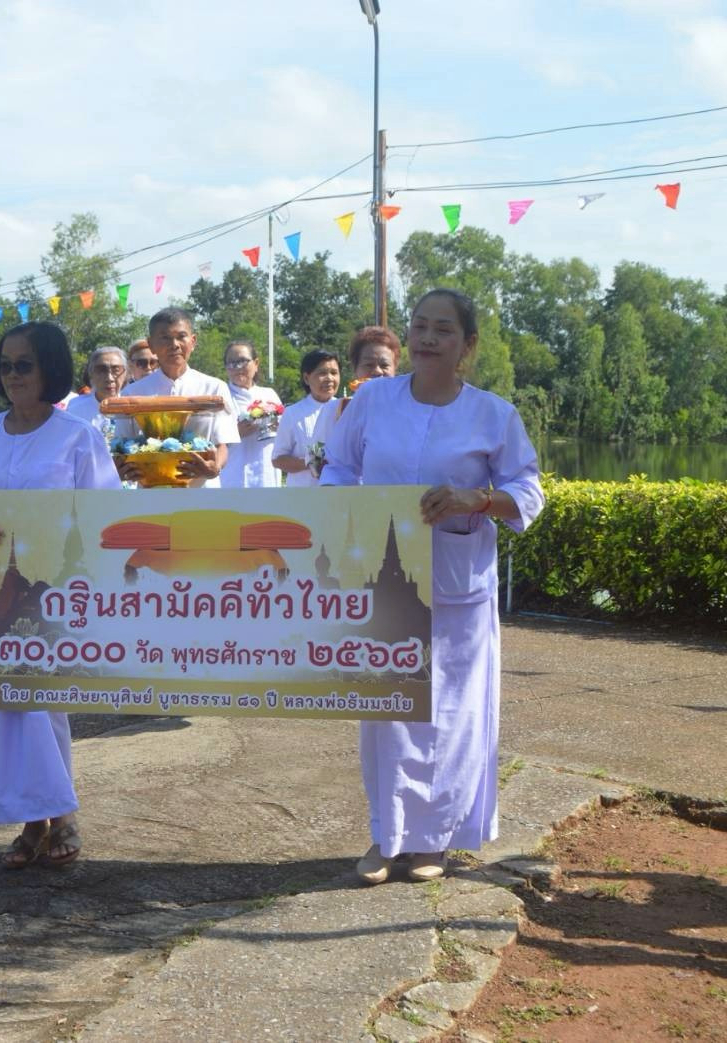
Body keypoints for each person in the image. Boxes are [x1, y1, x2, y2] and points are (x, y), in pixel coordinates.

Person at [321, 288, 545, 884]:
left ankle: (434, 842)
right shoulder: (372, 402)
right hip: (384, 575)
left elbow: (529, 489)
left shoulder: (493, 414)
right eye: (419, 326)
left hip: (457, 580)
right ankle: (385, 837)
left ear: (466, 345)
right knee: (388, 708)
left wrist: (483, 498)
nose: (426, 339)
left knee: (450, 712)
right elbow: (339, 469)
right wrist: (354, 513)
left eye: (442, 330)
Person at [0, 321, 121, 869]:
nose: (13, 375)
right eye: (4, 365)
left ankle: (60, 815)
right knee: (1, 711)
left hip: (53, 593)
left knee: (43, 708)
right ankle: (29, 820)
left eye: (24, 364)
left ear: (48, 367)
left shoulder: (77, 436)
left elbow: (103, 515)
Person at [117, 308, 239, 486]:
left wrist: (215, 467)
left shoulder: (214, 387)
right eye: (165, 338)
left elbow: (223, 444)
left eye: (181, 336)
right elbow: (122, 444)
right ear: (151, 345)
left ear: (193, 341)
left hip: (203, 494)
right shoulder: (132, 394)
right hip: (150, 495)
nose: (174, 344)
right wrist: (121, 469)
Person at [272, 349, 342, 488]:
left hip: (341, 492)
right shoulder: (293, 413)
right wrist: (311, 462)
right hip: (304, 496)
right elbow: (278, 460)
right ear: (306, 378)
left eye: (334, 373)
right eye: (322, 373)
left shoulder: (345, 408)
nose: (329, 378)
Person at [221, 339, 281, 489]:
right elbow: (208, 440)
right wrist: (235, 433)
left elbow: (284, 433)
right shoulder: (220, 395)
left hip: (266, 473)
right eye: (231, 363)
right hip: (233, 477)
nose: (237, 367)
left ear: (256, 363)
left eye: (242, 361)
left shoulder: (269, 394)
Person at [65, 347, 127, 442]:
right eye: (101, 370)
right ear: (91, 373)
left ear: (125, 373)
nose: (109, 378)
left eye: (116, 370)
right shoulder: (76, 408)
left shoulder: (134, 407)